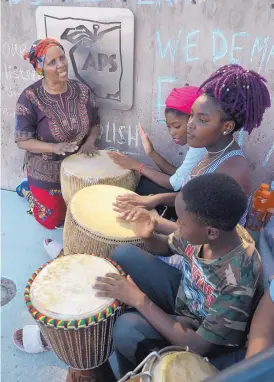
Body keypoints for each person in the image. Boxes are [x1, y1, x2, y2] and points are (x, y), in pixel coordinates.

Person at [93, 173, 263, 379]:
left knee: (126, 327)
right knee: (123, 253)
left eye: (181, 222)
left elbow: (199, 345)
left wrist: (137, 299)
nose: (175, 224)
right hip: (186, 300)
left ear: (211, 232)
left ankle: (140, 372)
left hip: (204, 338)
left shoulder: (238, 278)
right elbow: (166, 246)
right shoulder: (211, 231)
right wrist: (148, 236)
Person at [117, 65, 271, 237]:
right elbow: (189, 196)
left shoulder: (231, 174)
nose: (190, 124)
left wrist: (152, 221)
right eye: (191, 115)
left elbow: (204, 239)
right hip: (186, 231)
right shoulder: (212, 150)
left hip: (199, 257)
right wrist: (153, 199)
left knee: (123, 252)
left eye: (202, 120)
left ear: (227, 127)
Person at [15, 38, 100, 230]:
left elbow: (95, 123)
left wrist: (90, 142)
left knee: (85, 215)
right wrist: (54, 147)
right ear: (40, 68)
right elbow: (23, 140)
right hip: (46, 170)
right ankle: (28, 191)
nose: (61, 64)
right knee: (51, 221)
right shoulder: (29, 97)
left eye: (62, 58)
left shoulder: (82, 91)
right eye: (52, 62)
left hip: (78, 167)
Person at [108, 86, 206, 196]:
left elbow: (174, 184)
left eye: (177, 126)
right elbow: (179, 176)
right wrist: (151, 152)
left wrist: (136, 165)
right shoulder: (200, 144)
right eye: (168, 126)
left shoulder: (200, 148)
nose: (172, 132)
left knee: (143, 186)